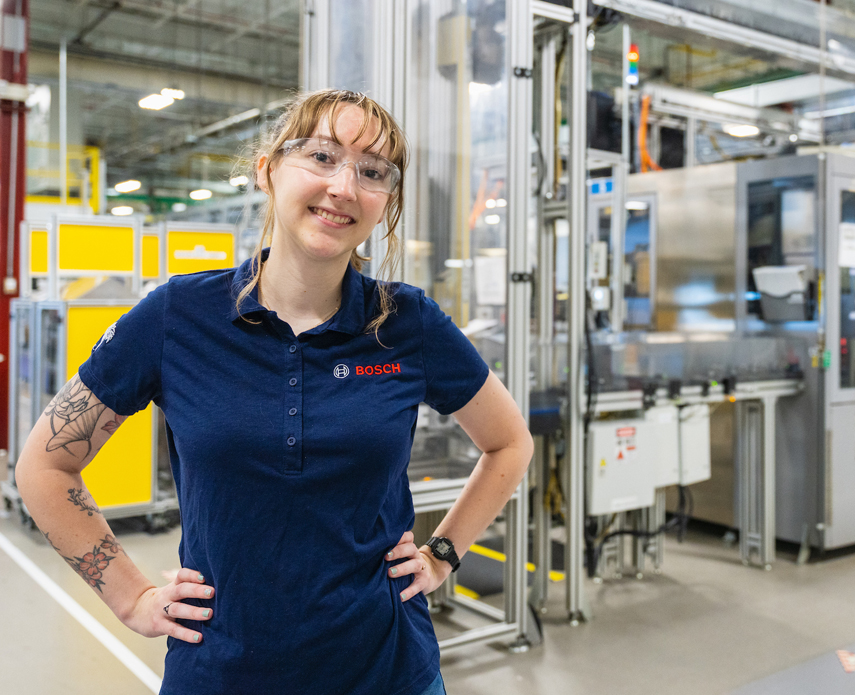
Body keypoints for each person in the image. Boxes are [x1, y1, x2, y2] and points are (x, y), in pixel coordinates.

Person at [15, 89, 533, 695]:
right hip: (221, 671)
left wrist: (442, 552)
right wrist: (132, 599)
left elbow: (509, 442)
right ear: (267, 170)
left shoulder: (405, 323)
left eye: (372, 172)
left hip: (386, 670)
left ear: (384, 200)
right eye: (321, 157)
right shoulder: (176, 316)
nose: (344, 187)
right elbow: (45, 466)